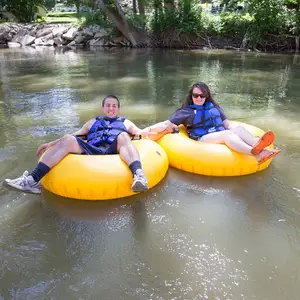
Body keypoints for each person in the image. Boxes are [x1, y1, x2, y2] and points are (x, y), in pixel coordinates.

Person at [5, 95, 151, 194]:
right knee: (68, 139)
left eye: (114, 106)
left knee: (124, 135)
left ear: (118, 108)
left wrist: (163, 129)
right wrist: (50, 143)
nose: (111, 108)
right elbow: (74, 135)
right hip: (92, 150)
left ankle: (138, 175)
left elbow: (141, 133)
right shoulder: (92, 122)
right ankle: (32, 180)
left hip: (114, 150)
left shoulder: (125, 122)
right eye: (108, 105)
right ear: (103, 107)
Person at [144, 81, 281, 164]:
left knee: (236, 129)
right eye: (195, 95)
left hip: (218, 133)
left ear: (206, 96)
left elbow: (227, 124)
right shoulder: (186, 111)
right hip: (202, 138)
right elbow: (166, 124)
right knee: (227, 134)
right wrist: (145, 131)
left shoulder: (213, 107)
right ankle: (257, 154)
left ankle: (258, 145)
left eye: (202, 95)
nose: (198, 98)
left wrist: (237, 130)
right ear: (191, 96)